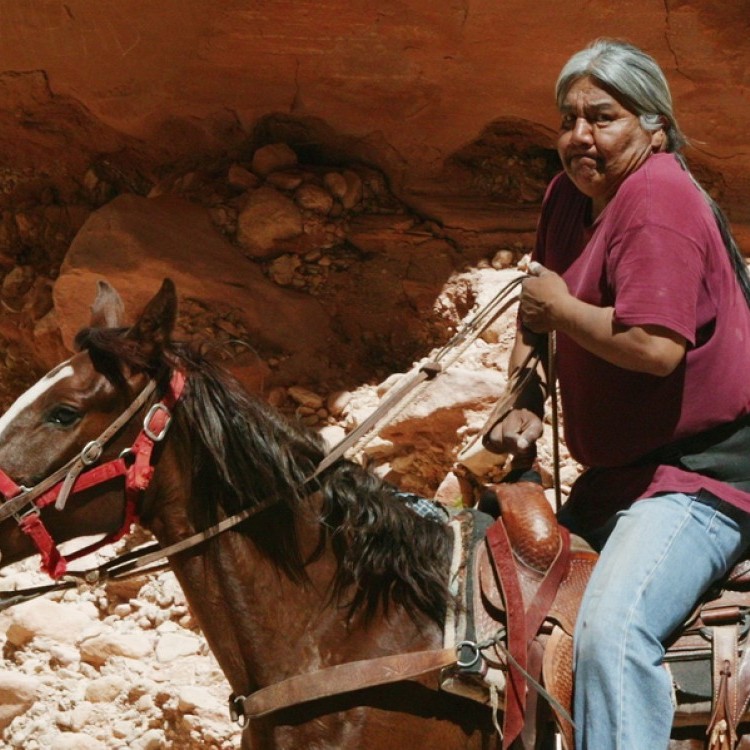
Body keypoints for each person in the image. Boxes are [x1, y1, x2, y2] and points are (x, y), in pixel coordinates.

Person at [484, 38, 750, 749]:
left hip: (700, 481)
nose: (579, 136)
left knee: (610, 633)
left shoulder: (659, 198)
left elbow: (655, 348)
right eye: (567, 119)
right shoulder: (569, 194)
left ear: (654, 126)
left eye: (602, 117)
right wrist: (525, 395)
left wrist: (562, 310)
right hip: (620, 478)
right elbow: (535, 311)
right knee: (504, 608)